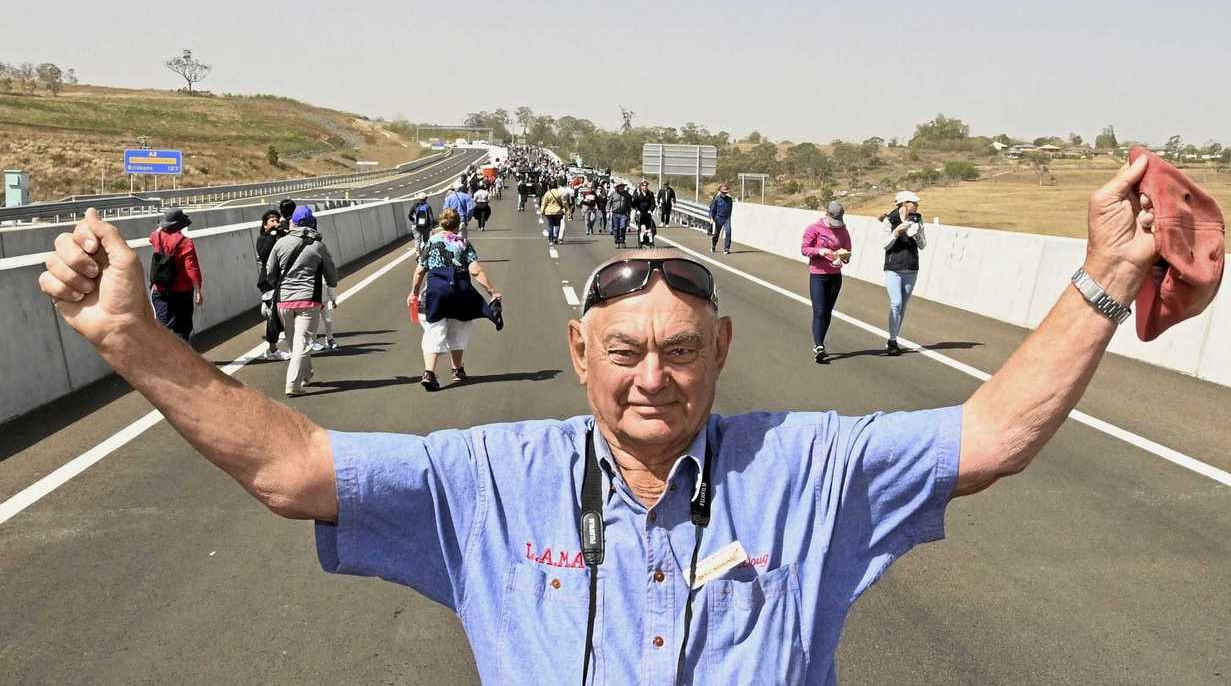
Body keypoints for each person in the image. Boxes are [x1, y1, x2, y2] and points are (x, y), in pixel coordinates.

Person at [36, 157, 1164, 684]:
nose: (651, 379)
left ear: (721, 351)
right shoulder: (489, 476)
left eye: (680, 351)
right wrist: (132, 339)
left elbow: (993, 432)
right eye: (622, 351)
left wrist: (1104, 277)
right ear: (578, 354)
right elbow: (291, 465)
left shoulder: (813, 463)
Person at [406, 208, 503, 392]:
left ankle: (429, 373)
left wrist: (414, 292)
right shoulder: (462, 243)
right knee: (459, 328)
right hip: (460, 292)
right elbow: (476, 271)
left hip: (436, 292)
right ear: (458, 224)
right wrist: (492, 292)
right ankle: (457, 370)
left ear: (440, 223)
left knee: (435, 330)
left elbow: (420, 271)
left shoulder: (431, 242)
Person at [264, 206, 338, 397]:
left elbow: (270, 272)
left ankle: (307, 373)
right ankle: (293, 384)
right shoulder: (318, 245)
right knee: (302, 343)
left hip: (284, 301)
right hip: (308, 301)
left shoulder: (280, 243)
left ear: (292, 222)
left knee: (294, 344)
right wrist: (331, 285)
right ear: (312, 222)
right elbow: (331, 272)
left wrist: (281, 285)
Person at [801, 202, 854, 364]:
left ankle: (820, 342)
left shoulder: (843, 231)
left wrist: (842, 258)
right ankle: (819, 346)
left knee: (827, 312)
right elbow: (804, 249)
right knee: (819, 311)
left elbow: (848, 254)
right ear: (827, 214)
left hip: (835, 276)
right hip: (818, 275)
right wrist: (819, 251)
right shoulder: (814, 228)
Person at [882, 191, 928, 356]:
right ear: (904, 204)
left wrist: (917, 236)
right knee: (896, 303)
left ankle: (893, 339)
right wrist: (896, 233)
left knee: (903, 306)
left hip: (911, 268)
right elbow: (885, 245)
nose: (916, 206)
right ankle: (893, 341)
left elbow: (923, 245)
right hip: (893, 268)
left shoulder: (917, 219)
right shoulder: (890, 220)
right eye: (914, 203)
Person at [148, 208, 203, 341]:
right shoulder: (185, 242)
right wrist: (197, 290)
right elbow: (192, 269)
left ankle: (166, 356)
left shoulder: (157, 238)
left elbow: (151, 236)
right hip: (181, 292)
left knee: (164, 328)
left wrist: (161, 227)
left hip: (160, 289)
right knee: (183, 328)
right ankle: (181, 355)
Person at [255, 208, 289, 361]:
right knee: (272, 315)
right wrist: (273, 234)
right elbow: (265, 254)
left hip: (283, 279)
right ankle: (272, 349)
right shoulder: (262, 239)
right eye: (272, 221)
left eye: (277, 220)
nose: (275, 223)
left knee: (287, 313)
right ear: (264, 225)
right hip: (269, 282)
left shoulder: (284, 236)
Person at [310, 283, 340, 353]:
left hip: (323, 303)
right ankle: (312, 341)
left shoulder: (324, 276)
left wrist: (333, 300)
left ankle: (330, 339)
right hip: (312, 304)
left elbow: (330, 287)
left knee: (328, 321)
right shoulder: (307, 276)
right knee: (313, 323)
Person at [407, 191, 435, 256]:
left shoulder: (415, 205)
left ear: (419, 199)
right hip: (426, 226)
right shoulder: (428, 206)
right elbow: (431, 218)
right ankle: (425, 254)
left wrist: (414, 221)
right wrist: (432, 227)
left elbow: (409, 215)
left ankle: (418, 255)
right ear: (425, 198)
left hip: (416, 226)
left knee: (417, 240)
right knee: (426, 240)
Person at [708, 184, 734, 254]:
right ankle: (713, 245)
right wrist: (711, 218)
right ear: (720, 192)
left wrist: (728, 217)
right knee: (716, 234)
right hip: (718, 218)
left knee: (728, 232)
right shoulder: (716, 199)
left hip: (727, 218)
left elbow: (730, 209)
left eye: (726, 192)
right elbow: (712, 210)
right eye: (723, 192)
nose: (725, 193)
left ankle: (726, 248)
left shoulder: (729, 199)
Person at [607, 181, 631, 248]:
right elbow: (609, 203)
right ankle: (617, 241)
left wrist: (629, 213)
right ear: (617, 187)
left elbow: (629, 204)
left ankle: (623, 241)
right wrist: (608, 212)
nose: (622, 187)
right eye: (620, 186)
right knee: (616, 228)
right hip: (615, 214)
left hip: (623, 214)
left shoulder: (627, 195)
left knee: (623, 227)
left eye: (623, 186)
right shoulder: (613, 194)